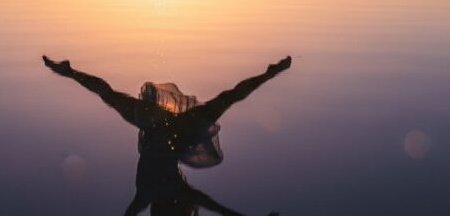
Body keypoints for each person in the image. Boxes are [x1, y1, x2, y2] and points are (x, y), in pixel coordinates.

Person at [43, 54, 291, 215]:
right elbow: (220, 209)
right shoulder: (161, 195)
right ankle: (270, 73)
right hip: (174, 130)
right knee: (227, 99)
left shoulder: (147, 197)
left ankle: (69, 71)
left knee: (228, 99)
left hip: (158, 126)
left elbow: (220, 209)